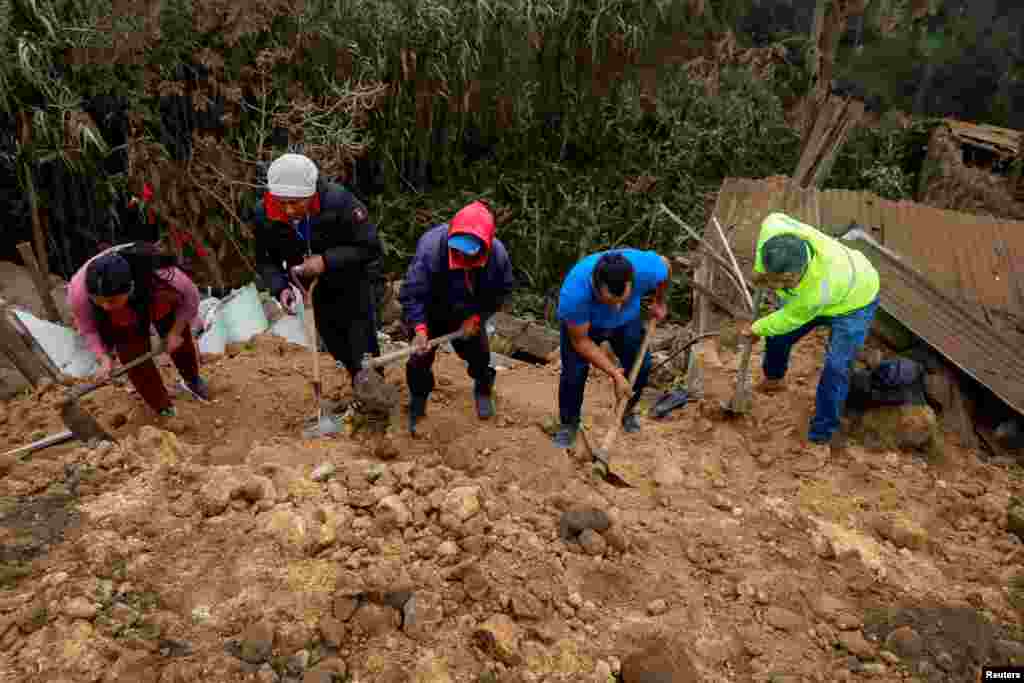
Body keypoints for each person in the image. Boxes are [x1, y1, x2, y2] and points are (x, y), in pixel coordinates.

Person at [738, 212, 881, 463]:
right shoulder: (773, 231)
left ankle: (821, 438)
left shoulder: (818, 289)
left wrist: (755, 329)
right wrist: (761, 272)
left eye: (785, 282)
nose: (778, 286)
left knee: (836, 367)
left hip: (855, 301)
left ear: (801, 269)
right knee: (778, 338)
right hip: (832, 288)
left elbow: (787, 319)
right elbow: (773, 217)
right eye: (774, 280)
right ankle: (774, 379)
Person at [250, 153, 384, 397]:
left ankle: (374, 396)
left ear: (311, 194)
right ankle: (357, 381)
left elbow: (370, 247)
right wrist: (281, 287)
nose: (289, 210)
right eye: (282, 202)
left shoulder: (339, 202)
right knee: (335, 344)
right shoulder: (264, 214)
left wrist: (326, 260)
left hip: (351, 282)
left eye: (296, 203)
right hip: (313, 291)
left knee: (362, 345)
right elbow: (264, 260)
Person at [398, 200, 515, 434]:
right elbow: (412, 293)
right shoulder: (432, 249)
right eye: (457, 249)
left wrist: (478, 317)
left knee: (479, 356)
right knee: (418, 361)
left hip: (468, 313)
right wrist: (419, 328)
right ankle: (418, 401)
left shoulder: (497, 257)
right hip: (430, 311)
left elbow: (500, 293)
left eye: (468, 252)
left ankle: (483, 388)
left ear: (486, 245)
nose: (461, 255)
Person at [69, 242, 209, 418]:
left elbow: (191, 299)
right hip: (123, 313)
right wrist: (104, 358)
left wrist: (175, 331)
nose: (105, 306)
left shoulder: (160, 275)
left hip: (152, 294)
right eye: (98, 301)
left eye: (111, 300)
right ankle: (162, 406)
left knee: (175, 332)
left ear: (130, 287)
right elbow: (88, 329)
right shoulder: (79, 293)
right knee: (131, 354)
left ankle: (192, 380)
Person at [552, 249, 670, 448]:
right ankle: (569, 424)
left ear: (632, 281)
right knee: (574, 373)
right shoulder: (574, 294)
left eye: (622, 300)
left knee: (641, 366)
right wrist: (615, 374)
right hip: (588, 326)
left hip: (626, 322)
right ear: (595, 288)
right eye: (610, 302)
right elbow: (581, 342)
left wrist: (660, 301)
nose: (616, 307)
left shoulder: (645, 268)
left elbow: (666, 266)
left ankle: (626, 410)